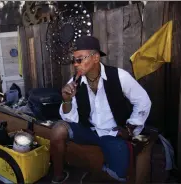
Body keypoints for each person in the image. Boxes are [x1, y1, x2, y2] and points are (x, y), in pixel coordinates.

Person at [50, 36, 152, 183]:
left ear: (96, 57)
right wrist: (67, 101)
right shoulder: (75, 82)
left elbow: (143, 102)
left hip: (113, 133)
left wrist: (130, 128)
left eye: (80, 59)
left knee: (117, 174)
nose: (75, 64)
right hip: (88, 130)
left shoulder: (119, 76)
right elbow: (69, 118)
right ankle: (57, 177)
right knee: (58, 129)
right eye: (74, 60)